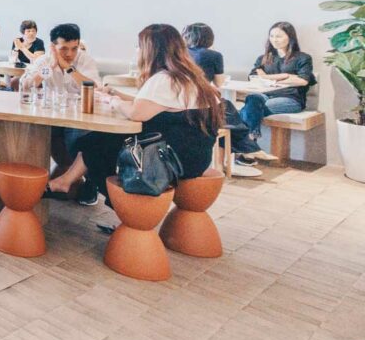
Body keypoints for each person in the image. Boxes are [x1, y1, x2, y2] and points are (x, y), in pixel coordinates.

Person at [49, 24, 222, 207]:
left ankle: (122, 204)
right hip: (196, 157)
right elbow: (154, 104)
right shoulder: (188, 77)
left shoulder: (164, 79)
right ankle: (67, 183)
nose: (137, 51)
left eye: (139, 46)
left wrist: (112, 101)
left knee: (95, 142)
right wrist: (115, 94)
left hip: (169, 160)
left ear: (150, 50)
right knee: (99, 141)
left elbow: (136, 113)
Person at [21, 23, 101, 204]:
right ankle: (32, 182)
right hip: (52, 117)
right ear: (52, 47)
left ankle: (90, 182)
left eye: (74, 48)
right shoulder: (45, 61)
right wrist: (50, 66)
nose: (69, 54)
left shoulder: (84, 60)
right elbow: (26, 85)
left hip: (79, 118)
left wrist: (69, 68)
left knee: (79, 142)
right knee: (33, 135)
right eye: (63, 49)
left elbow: (94, 87)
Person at [181, 22, 265, 166]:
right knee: (226, 110)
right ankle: (247, 149)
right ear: (209, 38)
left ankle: (242, 152)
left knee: (226, 111)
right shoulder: (214, 55)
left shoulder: (179, 53)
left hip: (182, 100)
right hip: (200, 102)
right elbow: (219, 83)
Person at [239, 21, 315, 159]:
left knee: (245, 111)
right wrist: (285, 76)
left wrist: (268, 78)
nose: (274, 39)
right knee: (252, 99)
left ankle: (248, 151)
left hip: (291, 99)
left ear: (290, 37)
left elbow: (303, 80)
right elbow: (253, 77)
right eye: (272, 36)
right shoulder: (264, 58)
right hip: (265, 96)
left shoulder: (302, 58)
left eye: (279, 36)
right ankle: (250, 149)